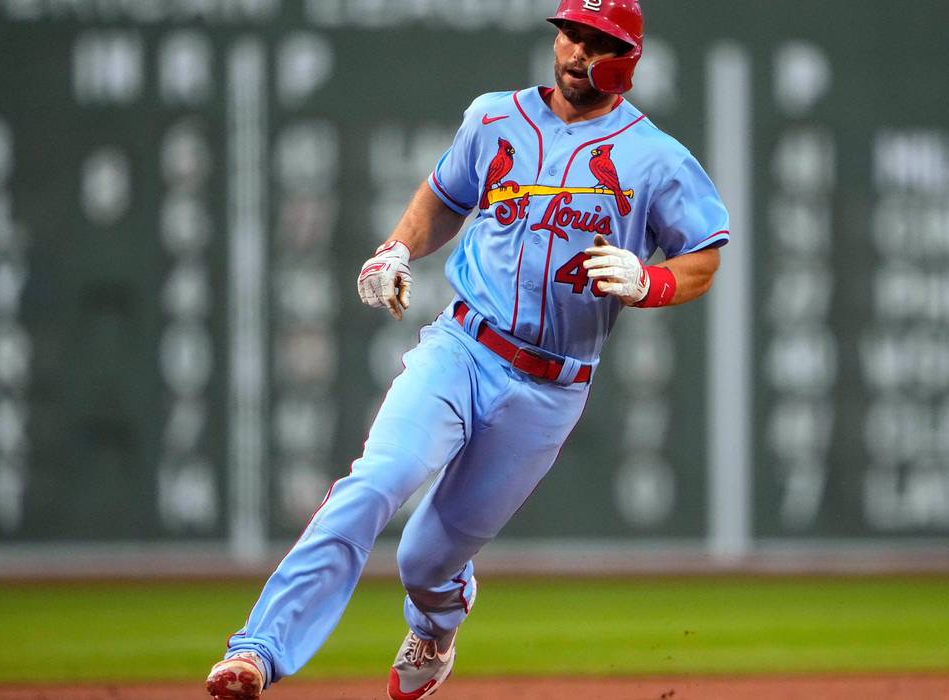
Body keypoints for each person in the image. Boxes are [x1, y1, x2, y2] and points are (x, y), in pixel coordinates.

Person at [205, 1, 729, 698]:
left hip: (550, 387)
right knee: (376, 481)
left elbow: (703, 257)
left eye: (597, 40)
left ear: (628, 54)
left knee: (425, 558)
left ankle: (436, 624)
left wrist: (651, 280)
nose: (576, 51)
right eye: (570, 33)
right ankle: (257, 651)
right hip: (461, 346)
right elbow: (443, 196)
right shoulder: (493, 118)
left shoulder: (656, 158)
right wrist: (397, 246)